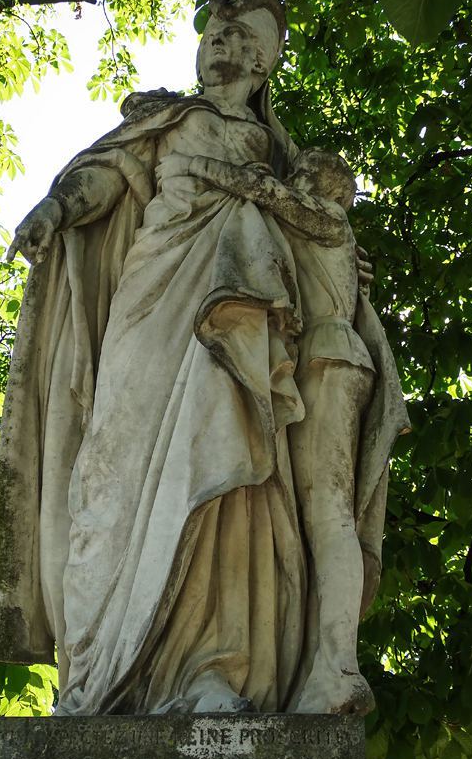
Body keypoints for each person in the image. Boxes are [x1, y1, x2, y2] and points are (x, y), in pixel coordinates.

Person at [0, 0, 408, 717]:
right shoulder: (166, 121)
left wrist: (339, 261)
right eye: (211, 32)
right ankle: (100, 672)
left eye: (235, 35)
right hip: (153, 300)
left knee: (231, 460)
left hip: (242, 313)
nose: (216, 43)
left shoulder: (284, 158)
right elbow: (106, 178)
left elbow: (319, 236)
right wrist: (56, 207)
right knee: (112, 470)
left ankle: (216, 668)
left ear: (262, 59)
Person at [156, 147, 409, 713]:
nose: (289, 178)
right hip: (319, 362)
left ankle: (339, 666)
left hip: (329, 361)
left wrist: (205, 164)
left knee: (329, 517)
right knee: (308, 520)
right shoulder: (325, 231)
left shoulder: (329, 218)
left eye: (304, 174)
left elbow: (266, 194)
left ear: (331, 188)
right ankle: (319, 665)